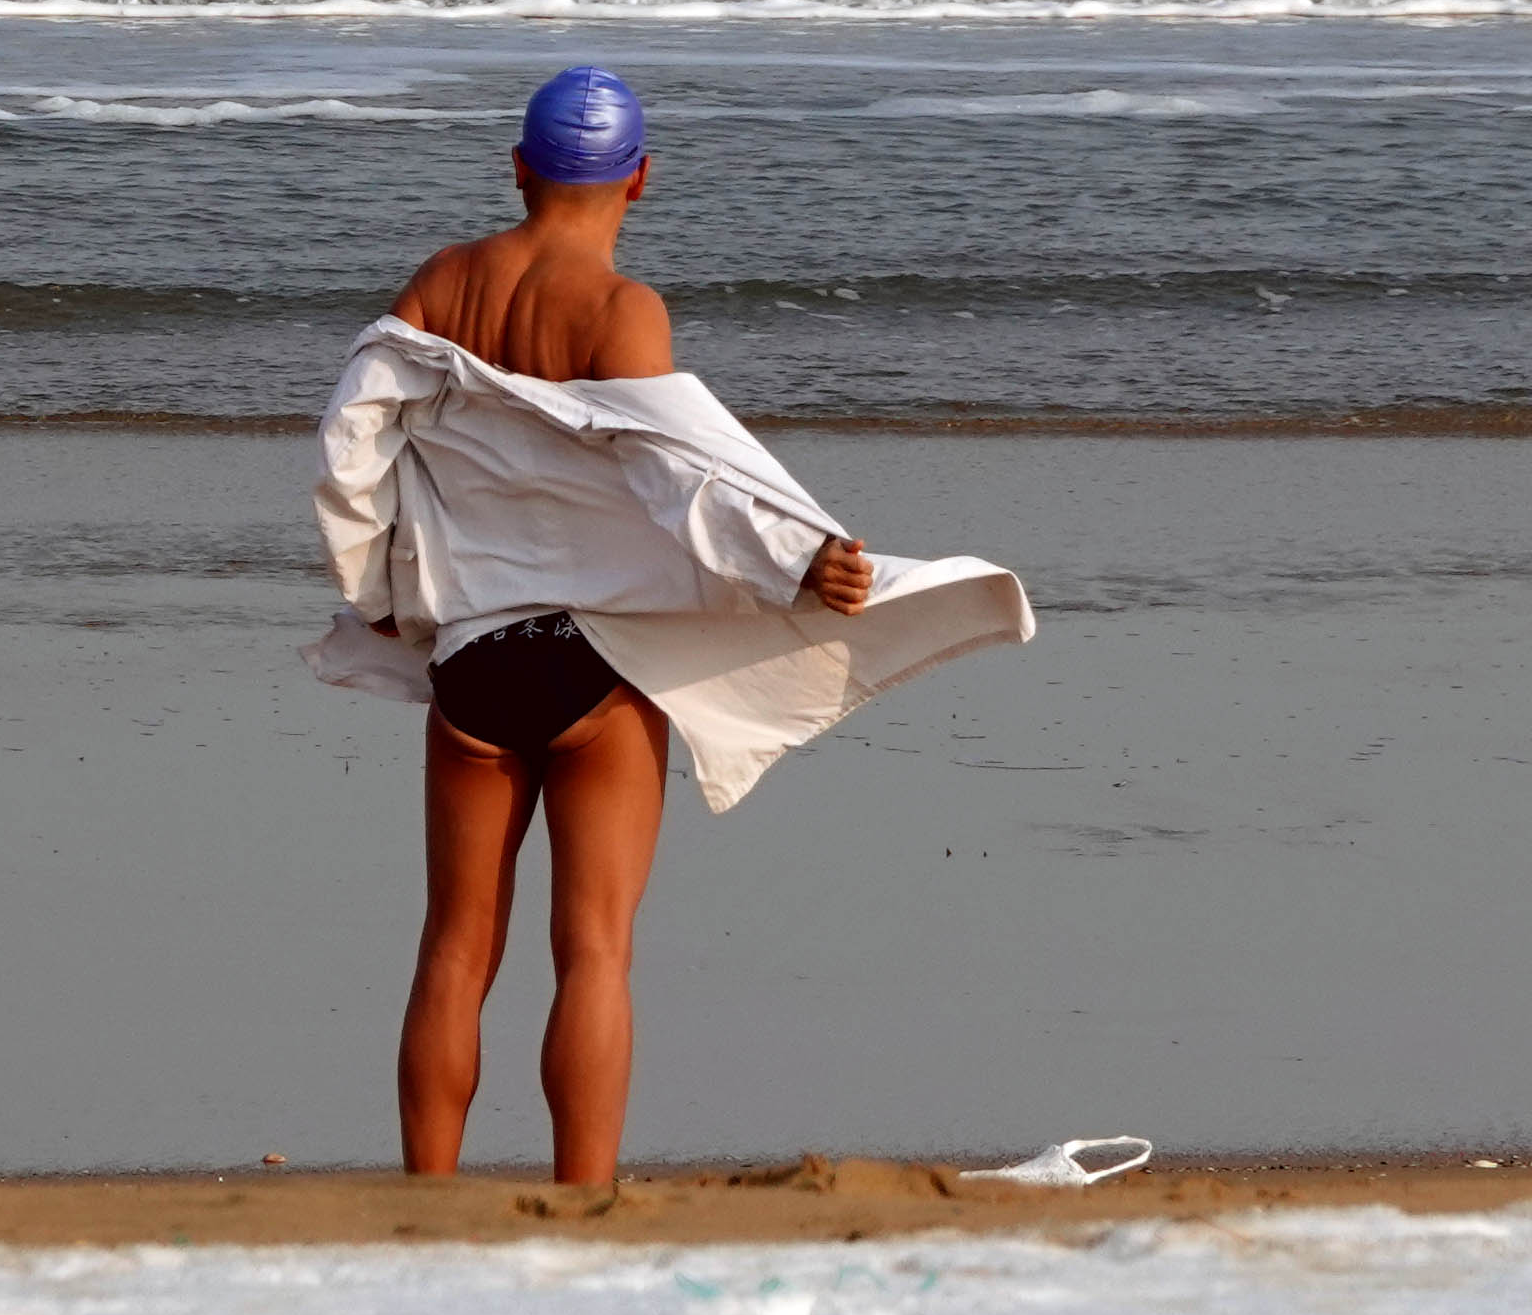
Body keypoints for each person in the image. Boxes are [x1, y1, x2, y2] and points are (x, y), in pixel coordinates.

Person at [309, 65, 1027, 1186]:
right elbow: (685, 478)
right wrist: (800, 561)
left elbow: (354, 447)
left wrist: (382, 600)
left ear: (518, 167)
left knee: (453, 949)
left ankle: (431, 1200)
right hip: (592, 664)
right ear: (640, 179)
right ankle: (584, 1199)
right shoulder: (619, 310)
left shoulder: (441, 282)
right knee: (592, 951)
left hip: (471, 666)